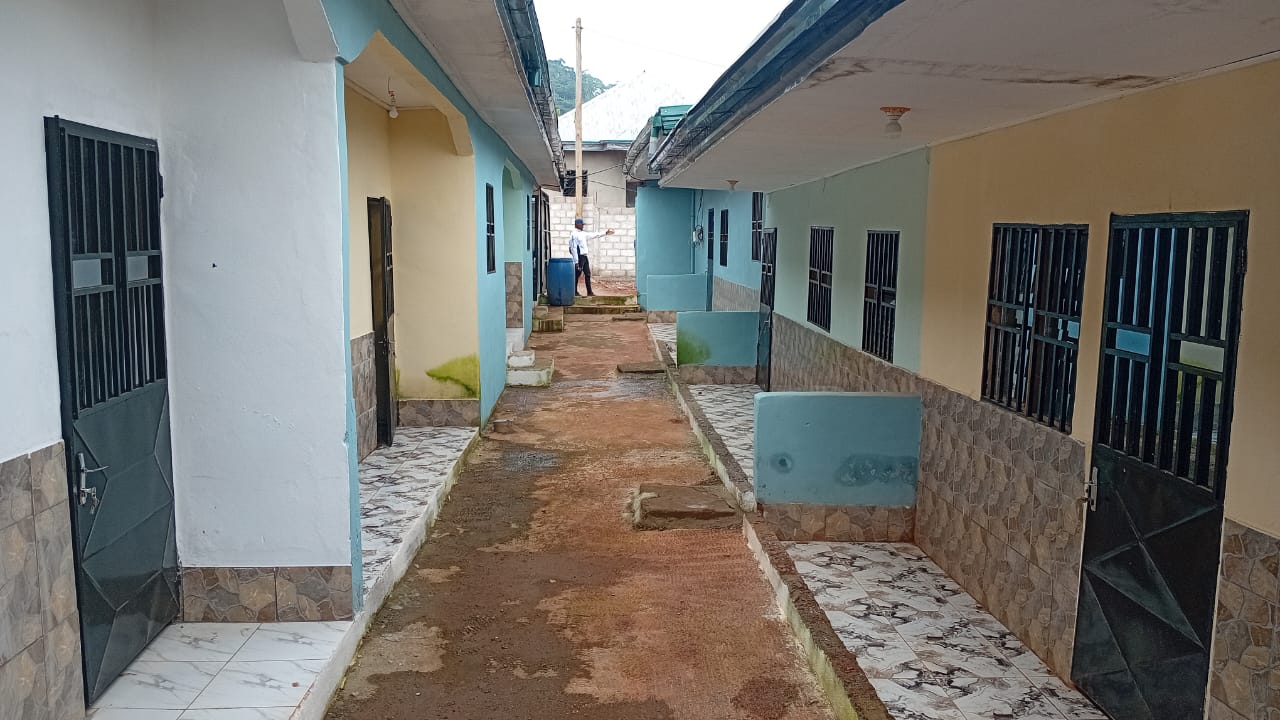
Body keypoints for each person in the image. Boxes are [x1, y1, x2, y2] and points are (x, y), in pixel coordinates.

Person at [568, 218, 613, 297]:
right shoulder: (574, 234)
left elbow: (594, 235)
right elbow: (573, 249)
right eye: (581, 224)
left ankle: (589, 292)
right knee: (577, 275)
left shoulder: (583, 233)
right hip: (579, 257)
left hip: (584, 256)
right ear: (577, 224)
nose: (583, 226)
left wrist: (605, 233)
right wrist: (576, 261)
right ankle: (574, 292)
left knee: (587, 274)